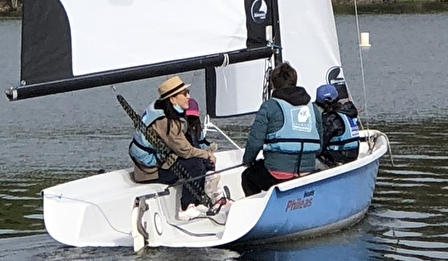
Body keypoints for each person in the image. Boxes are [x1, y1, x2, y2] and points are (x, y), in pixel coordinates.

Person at [129, 76, 226, 219]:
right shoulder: (164, 121)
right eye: (184, 93)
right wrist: (207, 154)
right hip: (149, 171)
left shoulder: (166, 112)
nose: (189, 96)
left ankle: (200, 200)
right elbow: (184, 150)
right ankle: (186, 207)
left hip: (162, 162)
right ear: (173, 99)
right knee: (195, 164)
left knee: (201, 160)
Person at [240, 62, 321, 196]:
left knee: (248, 177)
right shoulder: (313, 108)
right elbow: (319, 144)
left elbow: (255, 141)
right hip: (307, 170)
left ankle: (262, 206)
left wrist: (248, 160)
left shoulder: (269, 106)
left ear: (273, 84)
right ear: (295, 81)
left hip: (277, 173)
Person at [315, 84, 361, 168]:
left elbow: (319, 146)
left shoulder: (330, 119)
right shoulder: (349, 113)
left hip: (335, 161)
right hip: (352, 158)